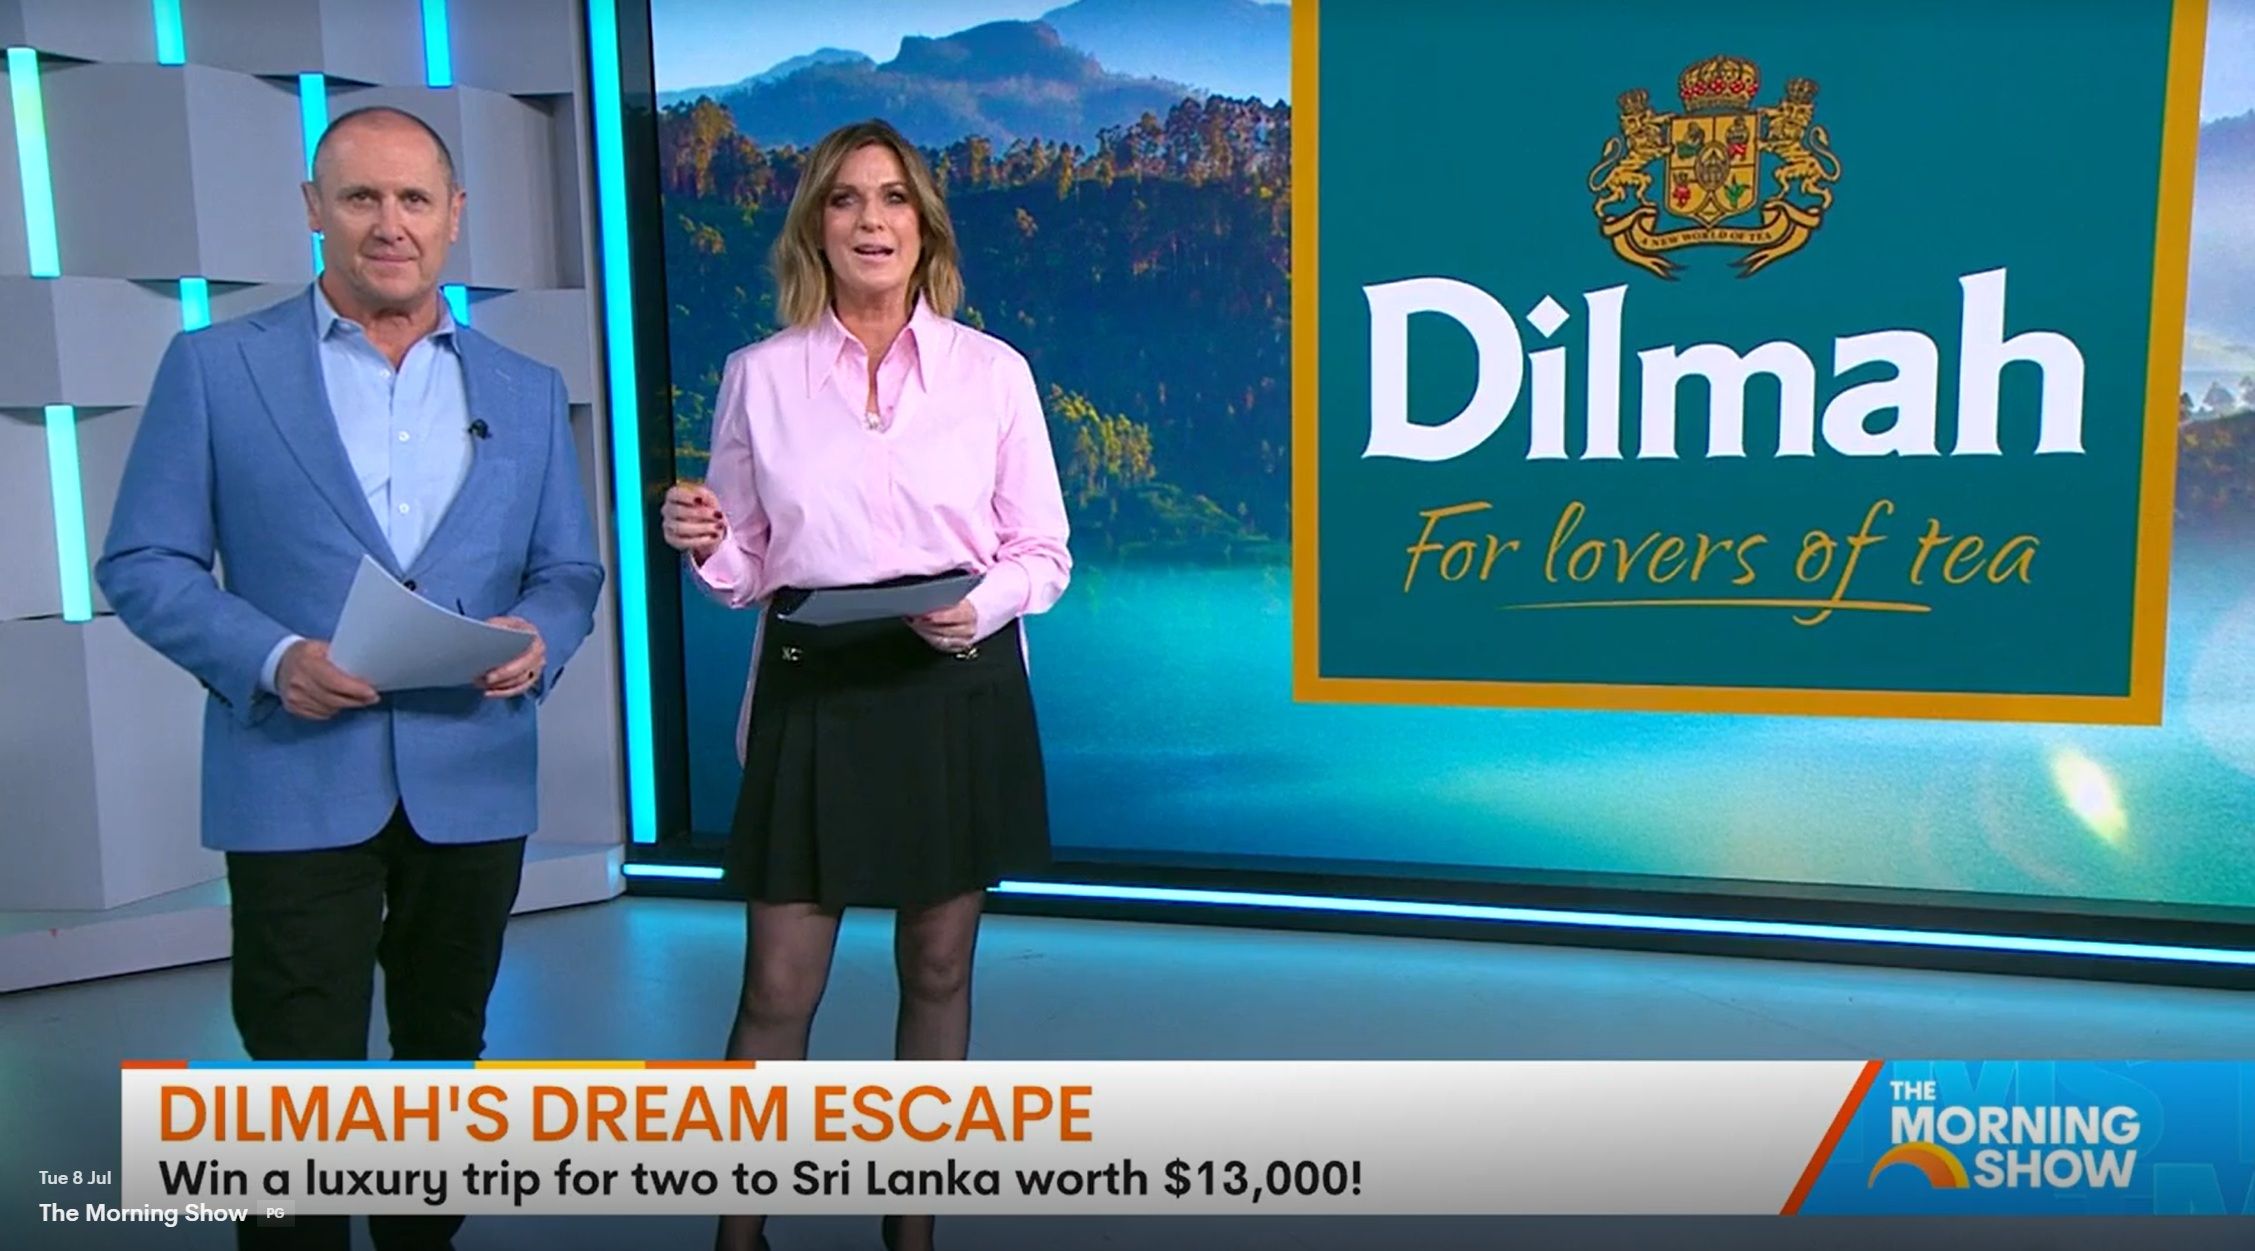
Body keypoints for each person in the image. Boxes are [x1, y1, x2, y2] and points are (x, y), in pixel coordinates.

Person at [96, 105, 605, 1251]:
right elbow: (143, 561)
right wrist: (273, 659)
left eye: (414, 198)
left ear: (454, 215)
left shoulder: (524, 387)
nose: (390, 223)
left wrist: (537, 635)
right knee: (298, 1074)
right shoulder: (216, 367)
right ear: (313, 210)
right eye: (361, 197)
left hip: (471, 777)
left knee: (442, 1061)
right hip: (293, 773)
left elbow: (569, 570)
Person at [660, 117, 1071, 1251]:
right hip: (817, 688)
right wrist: (704, 542)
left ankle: (910, 1234)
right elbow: (746, 567)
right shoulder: (759, 376)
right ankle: (737, 1236)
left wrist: (978, 607)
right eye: (845, 199)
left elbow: (1041, 552)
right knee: (776, 986)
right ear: (816, 227)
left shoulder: (993, 373)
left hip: (955, 681)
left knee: (937, 967)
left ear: (923, 226)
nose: (871, 221)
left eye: (892, 199)